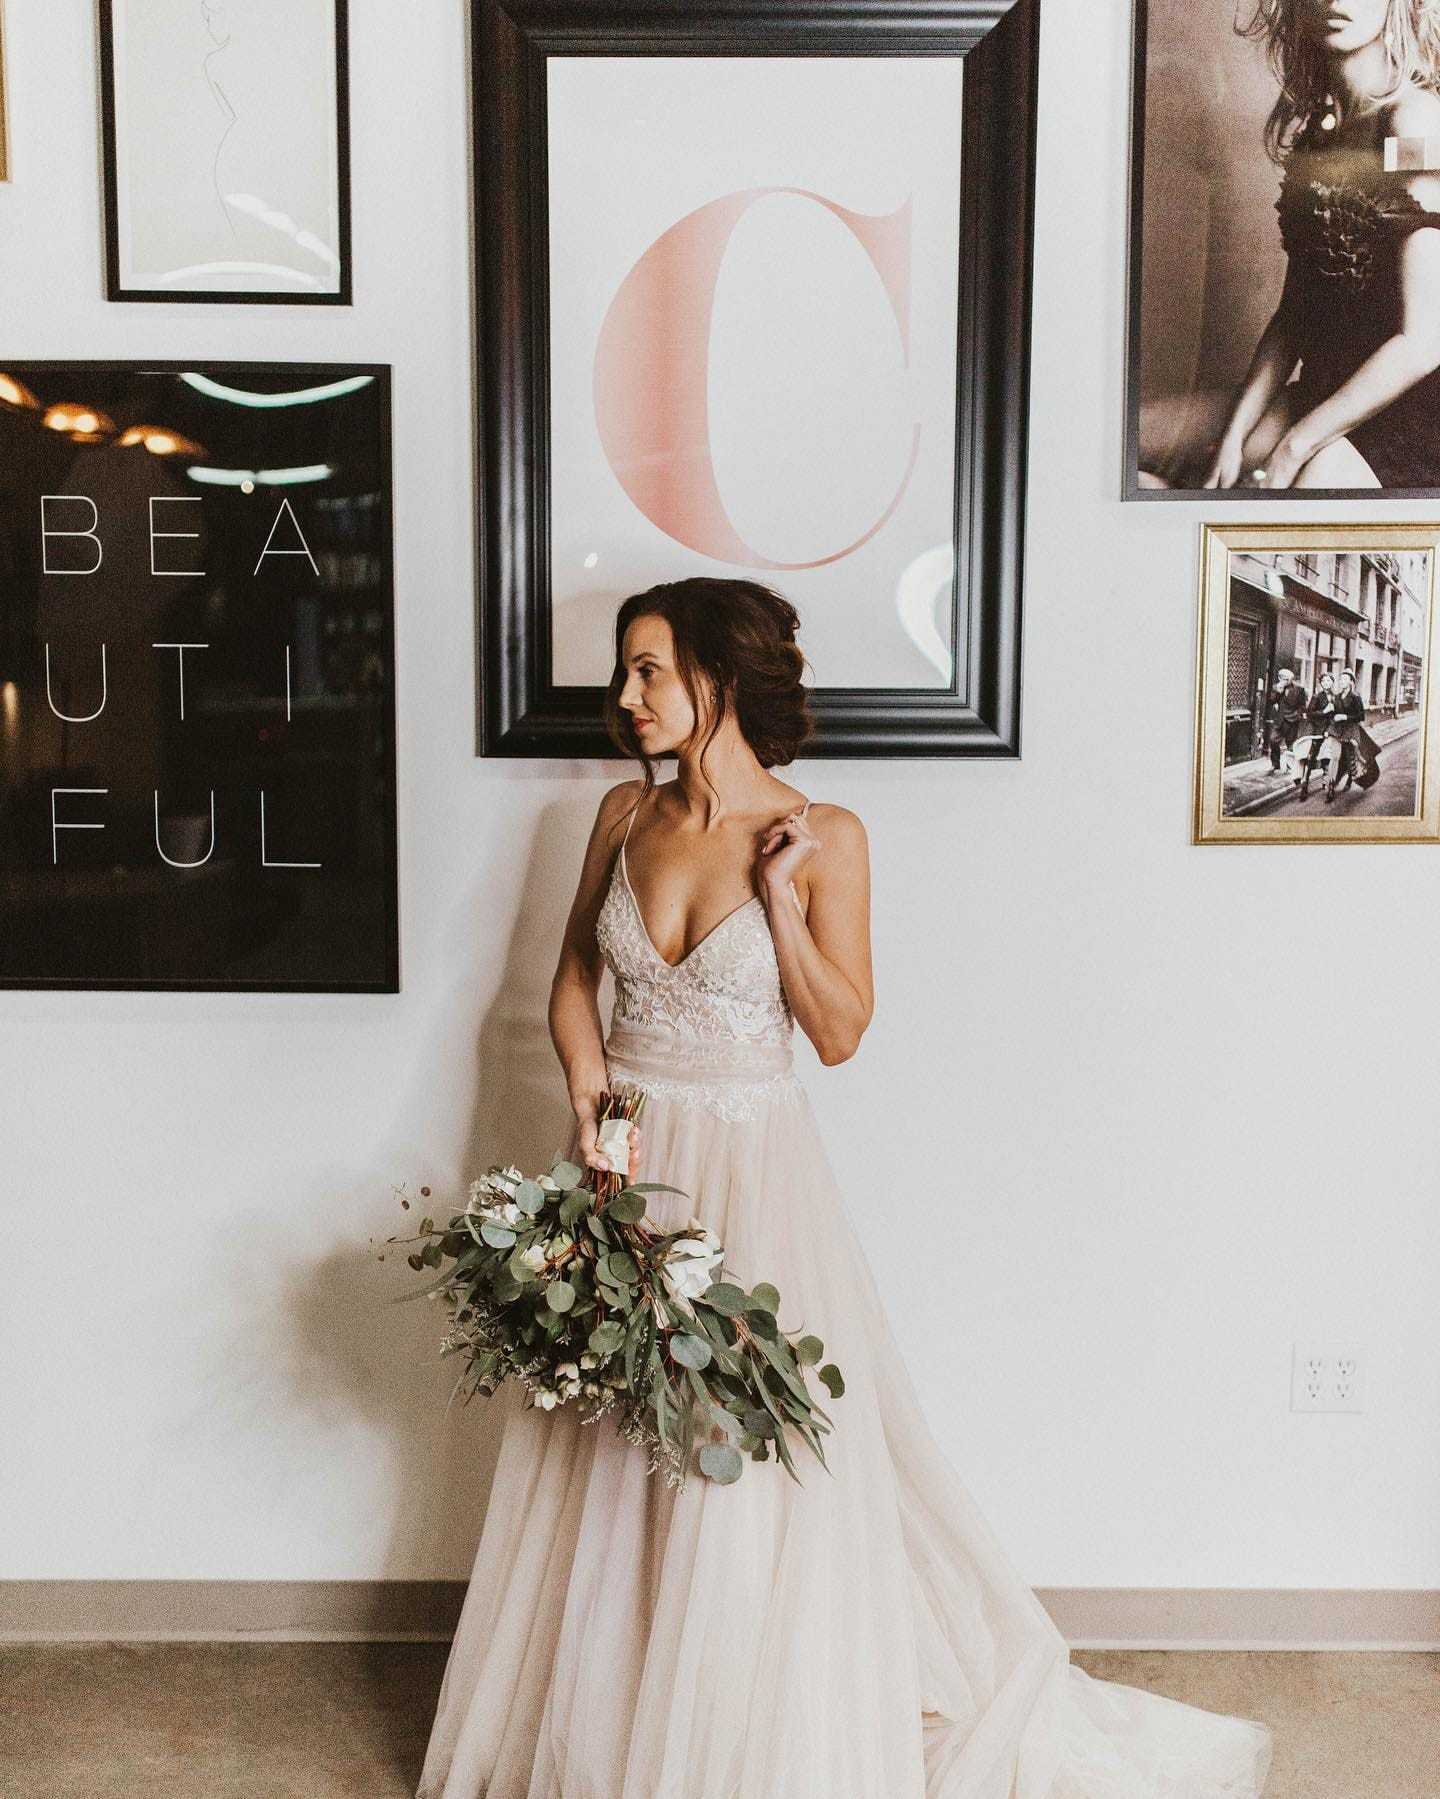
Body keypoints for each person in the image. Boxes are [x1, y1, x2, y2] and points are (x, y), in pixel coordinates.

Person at [415, 578, 1275, 1799]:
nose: (626, 696)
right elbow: (569, 986)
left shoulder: (829, 836)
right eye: (628, 671)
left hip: (754, 1177)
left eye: (649, 669)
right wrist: (595, 1114)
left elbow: (841, 1030)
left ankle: (734, 1733)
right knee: (606, 1436)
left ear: (718, 675)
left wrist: (778, 898)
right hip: (625, 1164)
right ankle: (613, 1725)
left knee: (741, 1454)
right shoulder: (620, 813)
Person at [1190, 0, 1440, 489]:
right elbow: (1297, 310)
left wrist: (1292, 448)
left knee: (1296, 484)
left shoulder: (1415, 125)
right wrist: (1234, 435)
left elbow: (1425, 343)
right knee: (1183, 461)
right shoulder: (1321, 133)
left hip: (1413, 411)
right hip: (1330, 393)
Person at [1325, 666, 1371, 798]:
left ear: (1351, 682)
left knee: (1351, 758)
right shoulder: (1337, 697)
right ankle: (1331, 786)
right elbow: (1333, 715)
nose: (1342, 681)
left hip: (1350, 731)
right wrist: (1330, 724)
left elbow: (1361, 716)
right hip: (1337, 730)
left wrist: (1345, 717)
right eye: (1341, 679)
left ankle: (1351, 778)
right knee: (1334, 757)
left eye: (1345, 679)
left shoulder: (1356, 697)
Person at [1294, 671, 1338, 796]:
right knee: (1310, 757)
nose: (1326, 683)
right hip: (1317, 731)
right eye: (1324, 681)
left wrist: (1329, 730)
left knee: (1327, 758)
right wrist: (1324, 711)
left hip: (1329, 732)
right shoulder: (1316, 697)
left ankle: (1326, 782)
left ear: (1333, 683)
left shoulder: (1336, 698)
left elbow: (1335, 717)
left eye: (1329, 681)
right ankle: (1305, 786)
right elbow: (1310, 714)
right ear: (1321, 683)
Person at [1264, 666, 1308, 771]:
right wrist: (1278, 691)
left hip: (1292, 721)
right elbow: (1271, 701)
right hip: (1279, 720)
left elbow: (1303, 706)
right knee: (1273, 740)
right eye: (1281, 678)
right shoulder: (1276, 688)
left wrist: (1297, 715)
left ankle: (1290, 765)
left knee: (1291, 744)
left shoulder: (1299, 689)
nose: (1283, 680)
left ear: (1290, 679)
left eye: (1286, 679)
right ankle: (1275, 764)